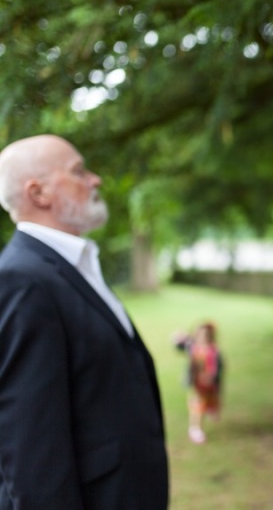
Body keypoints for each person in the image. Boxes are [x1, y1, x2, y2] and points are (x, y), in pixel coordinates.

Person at [0, 135, 169, 509]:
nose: (96, 180)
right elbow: (32, 445)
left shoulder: (72, 265)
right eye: (79, 171)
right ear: (38, 193)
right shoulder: (22, 280)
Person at [174, 321, 224, 444]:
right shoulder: (192, 347)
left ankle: (211, 410)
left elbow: (218, 367)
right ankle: (195, 428)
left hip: (210, 384)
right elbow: (179, 345)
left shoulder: (214, 350)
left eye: (206, 335)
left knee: (211, 400)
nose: (202, 337)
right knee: (198, 406)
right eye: (200, 334)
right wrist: (178, 338)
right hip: (196, 383)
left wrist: (213, 377)